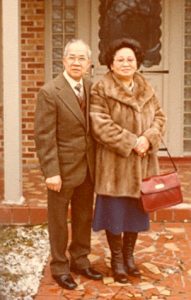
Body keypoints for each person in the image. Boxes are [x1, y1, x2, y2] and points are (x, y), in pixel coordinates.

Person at [90, 38, 166, 283]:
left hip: (143, 164)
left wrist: (148, 138)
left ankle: (129, 256)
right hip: (115, 165)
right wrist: (132, 142)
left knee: (135, 213)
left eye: (130, 59)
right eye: (120, 59)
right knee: (115, 214)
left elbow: (160, 118)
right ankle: (117, 260)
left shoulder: (147, 88)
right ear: (111, 64)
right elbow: (100, 125)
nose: (125, 63)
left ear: (137, 63)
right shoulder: (101, 89)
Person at [34, 39, 102, 290]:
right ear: (63, 61)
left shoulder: (91, 87)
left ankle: (80, 260)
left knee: (84, 216)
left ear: (88, 63)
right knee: (59, 221)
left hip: (87, 169)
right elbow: (44, 136)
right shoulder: (50, 92)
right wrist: (51, 171)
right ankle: (60, 266)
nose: (76, 62)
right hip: (61, 171)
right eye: (71, 57)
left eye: (81, 58)